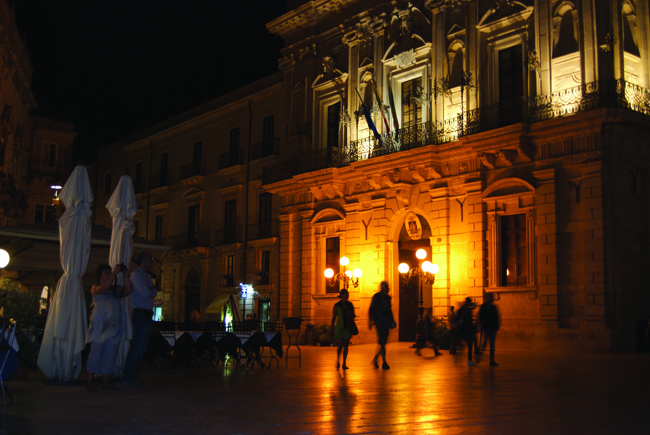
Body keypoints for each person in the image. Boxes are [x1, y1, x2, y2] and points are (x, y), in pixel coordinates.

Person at [86, 264, 133, 391]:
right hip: (100, 325)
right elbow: (102, 288)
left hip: (113, 325)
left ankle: (106, 381)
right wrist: (113, 274)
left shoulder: (114, 288)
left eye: (109, 272)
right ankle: (90, 380)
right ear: (100, 275)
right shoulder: (96, 287)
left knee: (110, 353)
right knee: (96, 352)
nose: (108, 274)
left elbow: (128, 290)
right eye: (105, 272)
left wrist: (126, 276)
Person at [122, 252, 157, 389]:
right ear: (144, 261)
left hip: (146, 314)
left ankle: (133, 378)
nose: (152, 262)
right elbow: (146, 293)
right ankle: (128, 378)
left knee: (141, 348)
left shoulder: (146, 276)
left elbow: (154, 291)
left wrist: (151, 289)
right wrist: (151, 289)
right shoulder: (136, 275)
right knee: (136, 347)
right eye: (151, 259)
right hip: (140, 314)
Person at [369, 281, 395, 370]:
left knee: (383, 342)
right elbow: (371, 308)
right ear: (383, 288)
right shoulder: (376, 297)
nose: (388, 289)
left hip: (386, 321)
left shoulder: (388, 298)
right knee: (382, 342)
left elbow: (389, 310)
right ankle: (384, 362)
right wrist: (370, 321)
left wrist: (392, 321)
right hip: (379, 321)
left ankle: (376, 359)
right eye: (387, 287)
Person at [330, 288, 355, 370]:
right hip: (340, 327)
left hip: (347, 327)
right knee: (340, 345)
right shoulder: (337, 305)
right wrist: (331, 327)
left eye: (347, 294)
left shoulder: (350, 305)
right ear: (342, 295)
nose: (347, 295)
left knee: (346, 346)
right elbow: (334, 317)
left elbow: (353, 315)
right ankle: (338, 360)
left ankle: (344, 363)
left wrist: (350, 314)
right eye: (346, 294)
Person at [478, 293, 500, 366]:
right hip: (486, 327)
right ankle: (479, 357)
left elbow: (496, 317)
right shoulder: (483, 306)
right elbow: (480, 316)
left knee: (492, 345)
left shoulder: (493, 307)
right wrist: (481, 324)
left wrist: (496, 326)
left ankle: (491, 360)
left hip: (492, 327)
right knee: (484, 343)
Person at [455, 297, 477, 366]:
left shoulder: (463, 309)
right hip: (465, 330)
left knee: (470, 343)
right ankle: (469, 360)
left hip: (465, 330)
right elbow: (467, 320)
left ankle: (469, 359)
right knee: (470, 344)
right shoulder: (465, 310)